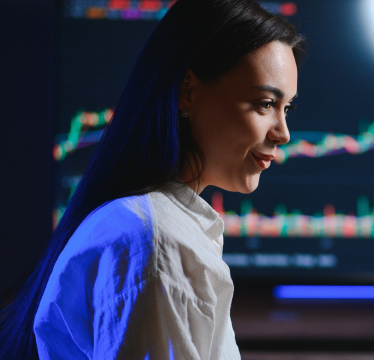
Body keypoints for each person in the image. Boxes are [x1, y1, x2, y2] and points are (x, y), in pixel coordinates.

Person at [0, 0, 304, 358]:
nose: (283, 133)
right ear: (188, 91)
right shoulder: (158, 244)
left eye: (288, 108)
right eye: (265, 104)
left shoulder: (148, 227)